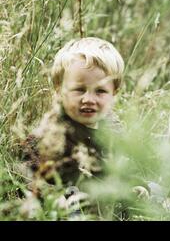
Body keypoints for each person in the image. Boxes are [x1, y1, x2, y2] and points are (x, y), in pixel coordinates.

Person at [22, 37, 125, 191]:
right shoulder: (51, 133)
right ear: (59, 90)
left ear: (113, 93)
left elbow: (127, 166)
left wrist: (137, 186)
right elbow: (26, 175)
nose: (89, 99)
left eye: (100, 91)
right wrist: (53, 195)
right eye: (79, 90)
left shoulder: (113, 129)